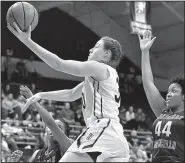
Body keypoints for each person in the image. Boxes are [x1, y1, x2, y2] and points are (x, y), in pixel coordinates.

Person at [8, 22, 130, 162]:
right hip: (115, 138)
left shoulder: (99, 68)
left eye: (96, 47)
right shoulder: (99, 78)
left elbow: (58, 64)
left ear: (106, 54)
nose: (91, 49)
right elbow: (71, 94)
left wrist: (27, 41)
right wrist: (42, 95)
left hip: (103, 130)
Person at [139, 30, 184, 162]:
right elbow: (148, 83)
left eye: (174, 91)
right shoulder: (163, 110)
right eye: (168, 91)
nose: (169, 94)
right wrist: (145, 52)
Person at [8, 85, 72, 162]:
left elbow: (50, 123)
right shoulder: (37, 154)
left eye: (59, 128)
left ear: (65, 134)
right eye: (51, 127)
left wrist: (34, 102)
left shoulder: (67, 149)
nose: (53, 129)